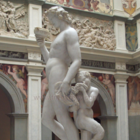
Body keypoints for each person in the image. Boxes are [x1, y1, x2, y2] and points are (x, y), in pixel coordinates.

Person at [35, 6, 81, 140]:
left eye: (51, 18)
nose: (51, 22)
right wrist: (42, 46)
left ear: (59, 16)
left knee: (62, 115)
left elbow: (77, 60)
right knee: (46, 119)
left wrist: (67, 81)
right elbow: (50, 60)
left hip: (59, 74)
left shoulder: (70, 32)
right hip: (52, 75)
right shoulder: (60, 35)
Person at [69, 71, 104, 140]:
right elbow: (70, 108)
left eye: (84, 80)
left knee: (87, 137)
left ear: (89, 78)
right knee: (100, 131)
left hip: (89, 117)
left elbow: (89, 104)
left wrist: (84, 92)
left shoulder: (94, 90)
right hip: (81, 118)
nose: (83, 83)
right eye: (80, 82)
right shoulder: (77, 91)